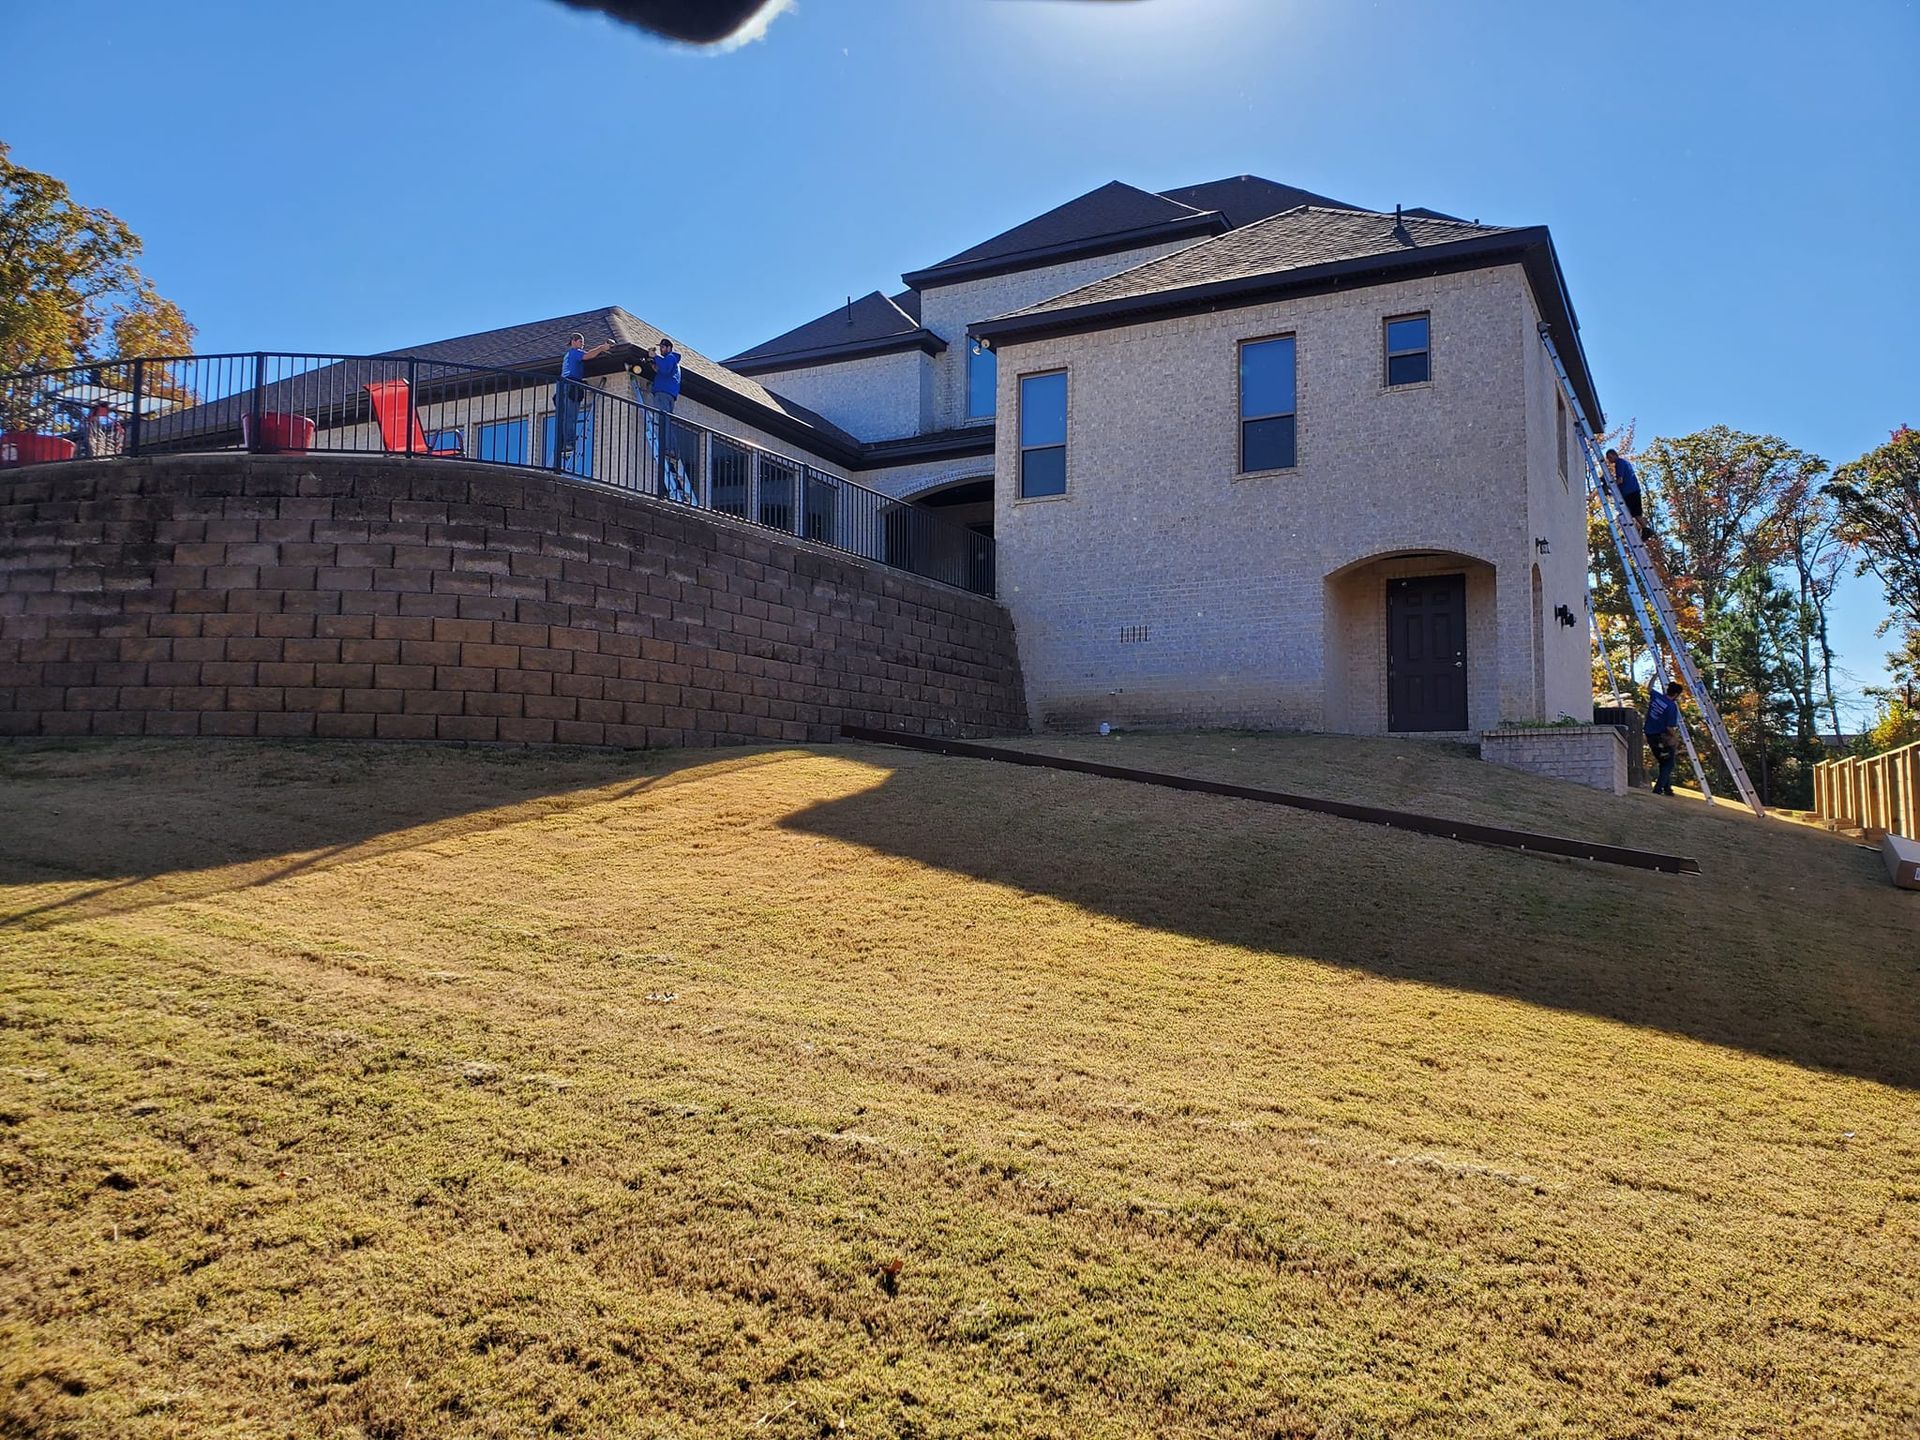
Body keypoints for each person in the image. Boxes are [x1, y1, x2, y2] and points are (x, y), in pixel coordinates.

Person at [554, 331, 613, 470]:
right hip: (570, 385)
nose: (582, 344)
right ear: (573, 341)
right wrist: (601, 348)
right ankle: (568, 443)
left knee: (565, 417)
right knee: (571, 416)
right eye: (580, 341)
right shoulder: (574, 352)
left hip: (565, 386)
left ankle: (564, 443)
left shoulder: (568, 355)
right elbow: (587, 356)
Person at [1644, 679, 1684, 797]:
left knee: (1663, 761)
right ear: (1676, 694)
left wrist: (1655, 675)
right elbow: (1669, 727)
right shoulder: (1671, 707)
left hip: (1649, 734)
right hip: (1661, 738)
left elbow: (1649, 687)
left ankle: (1668, 789)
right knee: (1668, 763)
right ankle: (1658, 789)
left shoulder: (1656, 697)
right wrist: (1675, 738)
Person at [1605, 448, 1645, 536]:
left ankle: (1645, 530)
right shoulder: (1624, 462)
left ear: (1614, 455)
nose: (1609, 460)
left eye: (1609, 457)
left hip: (1629, 491)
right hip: (1633, 489)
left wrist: (1610, 486)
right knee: (1632, 513)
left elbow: (1620, 480)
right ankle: (1640, 530)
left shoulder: (1619, 463)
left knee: (1634, 513)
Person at [648, 338, 682, 414]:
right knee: (666, 418)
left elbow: (665, 369)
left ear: (669, 348)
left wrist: (655, 356)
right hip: (669, 394)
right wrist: (654, 365)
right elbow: (664, 371)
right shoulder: (673, 361)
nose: (660, 349)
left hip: (663, 392)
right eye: (660, 347)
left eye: (662, 347)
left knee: (662, 417)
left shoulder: (671, 357)